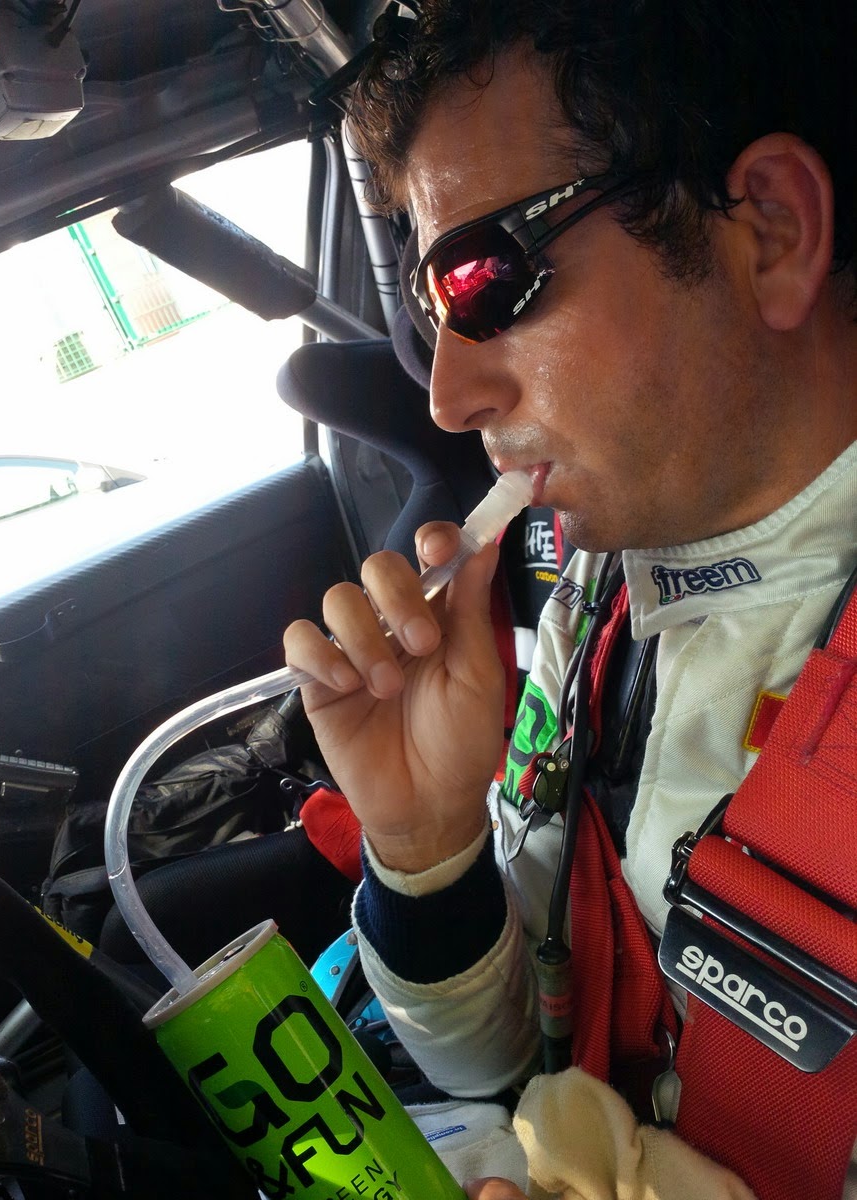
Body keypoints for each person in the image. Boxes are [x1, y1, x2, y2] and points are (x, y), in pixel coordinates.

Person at [284, 1, 857, 1196]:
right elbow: (508, 1055)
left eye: (486, 279)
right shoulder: (593, 593)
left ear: (772, 231)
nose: (447, 396)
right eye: (431, 312)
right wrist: (428, 846)